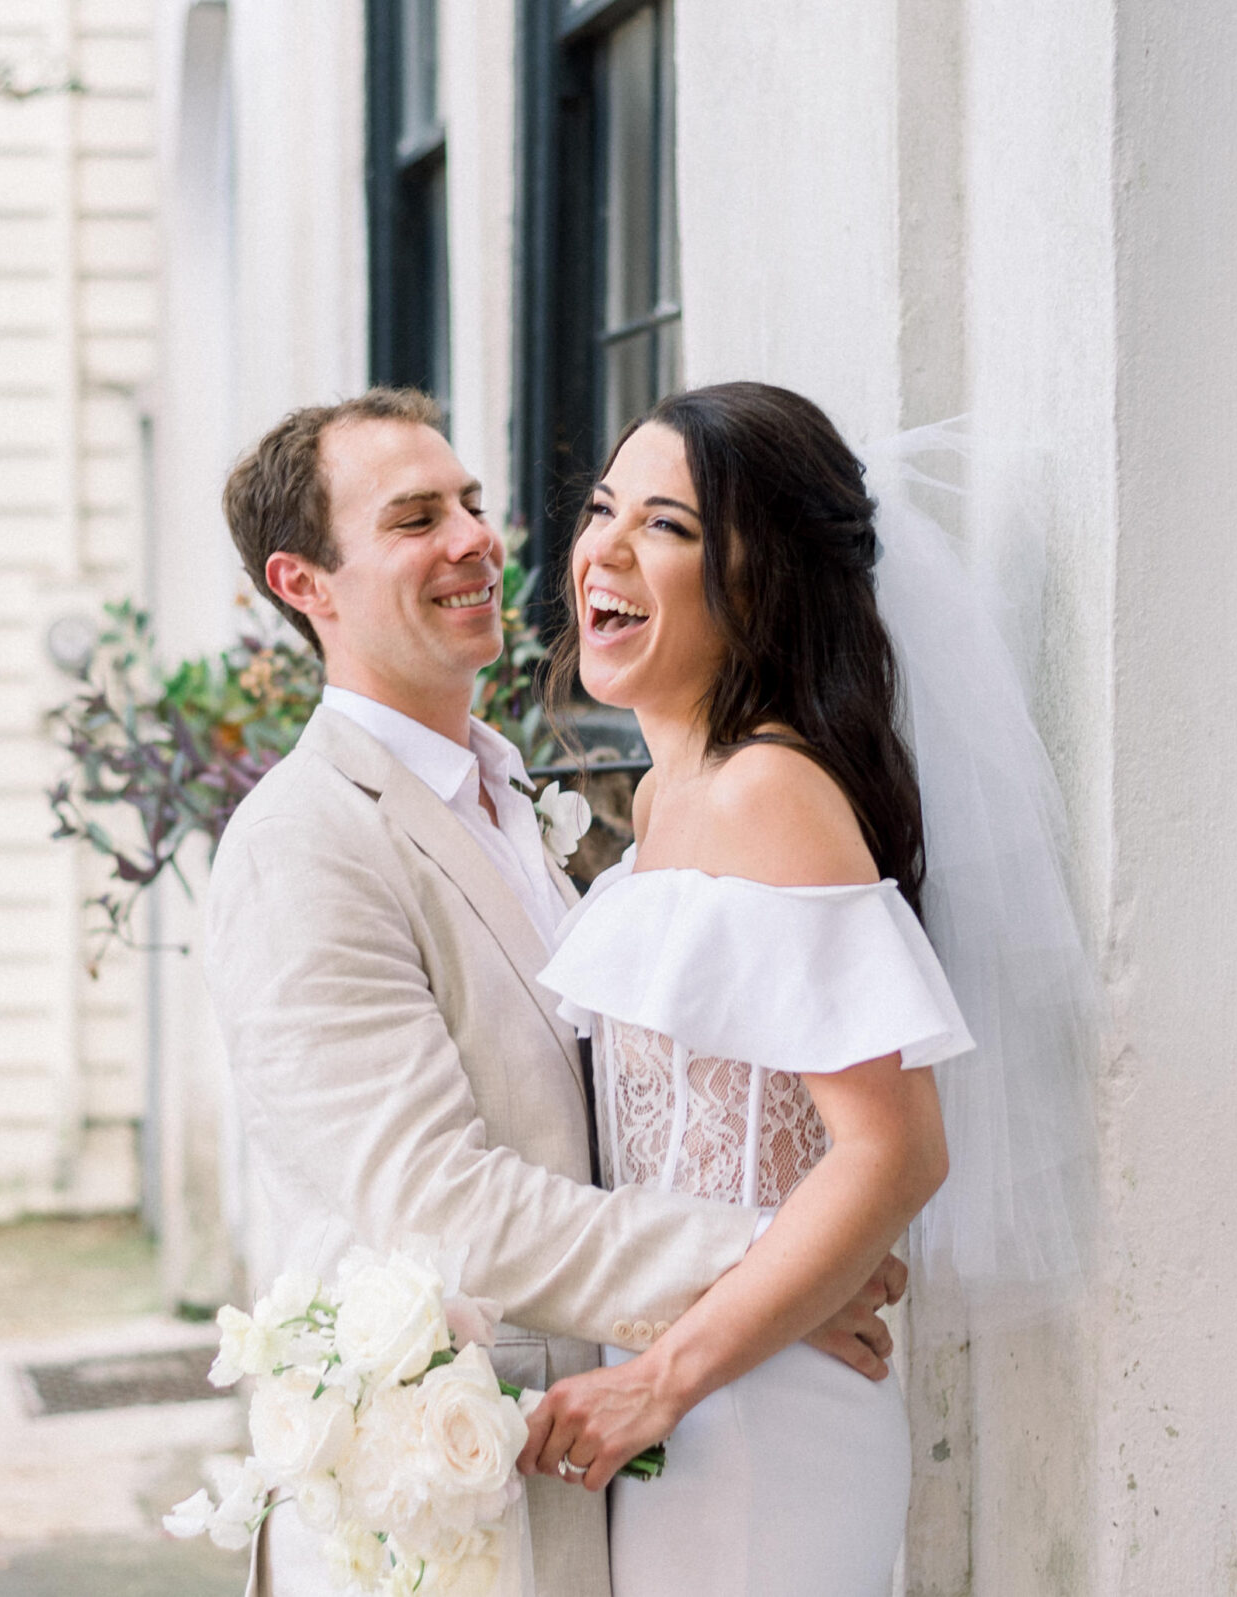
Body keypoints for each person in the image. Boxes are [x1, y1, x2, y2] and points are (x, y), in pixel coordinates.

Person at [205, 387, 908, 1597]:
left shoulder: (511, 795)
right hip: (435, 1516)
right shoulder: (302, 841)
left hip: (619, 1461)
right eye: (415, 517)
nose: (474, 539)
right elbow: (436, 1203)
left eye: (473, 502)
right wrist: (774, 1263)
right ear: (303, 583)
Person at [519, 382, 981, 1597]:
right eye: (603, 507)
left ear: (759, 578)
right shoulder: (669, 798)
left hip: (762, 1414)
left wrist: (657, 1378)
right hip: (689, 1395)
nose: (603, 551)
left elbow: (892, 1150)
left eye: (666, 525)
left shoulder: (767, 789)